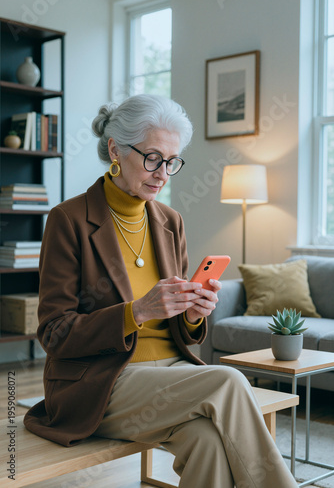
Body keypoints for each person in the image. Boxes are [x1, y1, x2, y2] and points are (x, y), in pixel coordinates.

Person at [24, 94, 297, 488]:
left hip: (171, 375)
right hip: (102, 382)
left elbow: (181, 328)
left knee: (208, 443)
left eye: (171, 162)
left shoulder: (170, 221)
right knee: (229, 380)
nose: (162, 173)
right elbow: (55, 333)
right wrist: (134, 313)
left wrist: (192, 313)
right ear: (116, 149)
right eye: (152, 157)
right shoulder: (68, 220)